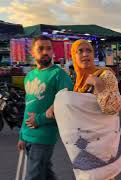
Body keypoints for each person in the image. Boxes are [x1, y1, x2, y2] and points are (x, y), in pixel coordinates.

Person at [54, 39, 121, 180]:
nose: (85, 54)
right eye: (80, 51)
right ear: (73, 56)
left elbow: (113, 108)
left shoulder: (105, 75)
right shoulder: (78, 82)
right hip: (86, 145)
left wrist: (98, 85)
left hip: (101, 145)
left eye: (89, 50)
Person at [17, 36, 73, 180]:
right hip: (28, 134)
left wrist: (39, 119)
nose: (45, 52)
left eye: (48, 48)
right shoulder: (29, 76)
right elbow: (28, 105)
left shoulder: (59, 74)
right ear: (32, 53)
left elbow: (65, 105)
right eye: (40, 48)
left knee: (33, 175)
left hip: (44, 134)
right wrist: (22, 135)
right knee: (45, 173)